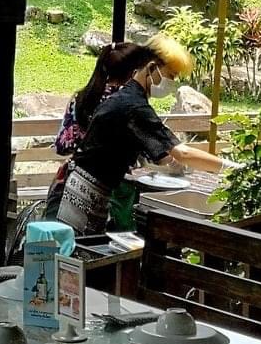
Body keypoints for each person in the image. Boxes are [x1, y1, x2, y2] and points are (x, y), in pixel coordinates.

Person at [54, 37, 223, 235]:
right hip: (85, 191)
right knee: (76, 254)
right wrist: (226, 167)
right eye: (170, 75)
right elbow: (182, 152)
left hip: (87, 185)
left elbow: (156, 151)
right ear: (151, 68)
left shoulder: (129, 97)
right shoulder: (134, 106)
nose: (172, 83)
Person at [42, 41, 137, 220]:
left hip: (73, 182)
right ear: (133, 72)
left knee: (59, 242)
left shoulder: (80, 98)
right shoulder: (131, 104)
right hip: (115, 188)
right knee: (113, 245)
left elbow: (62, 146)